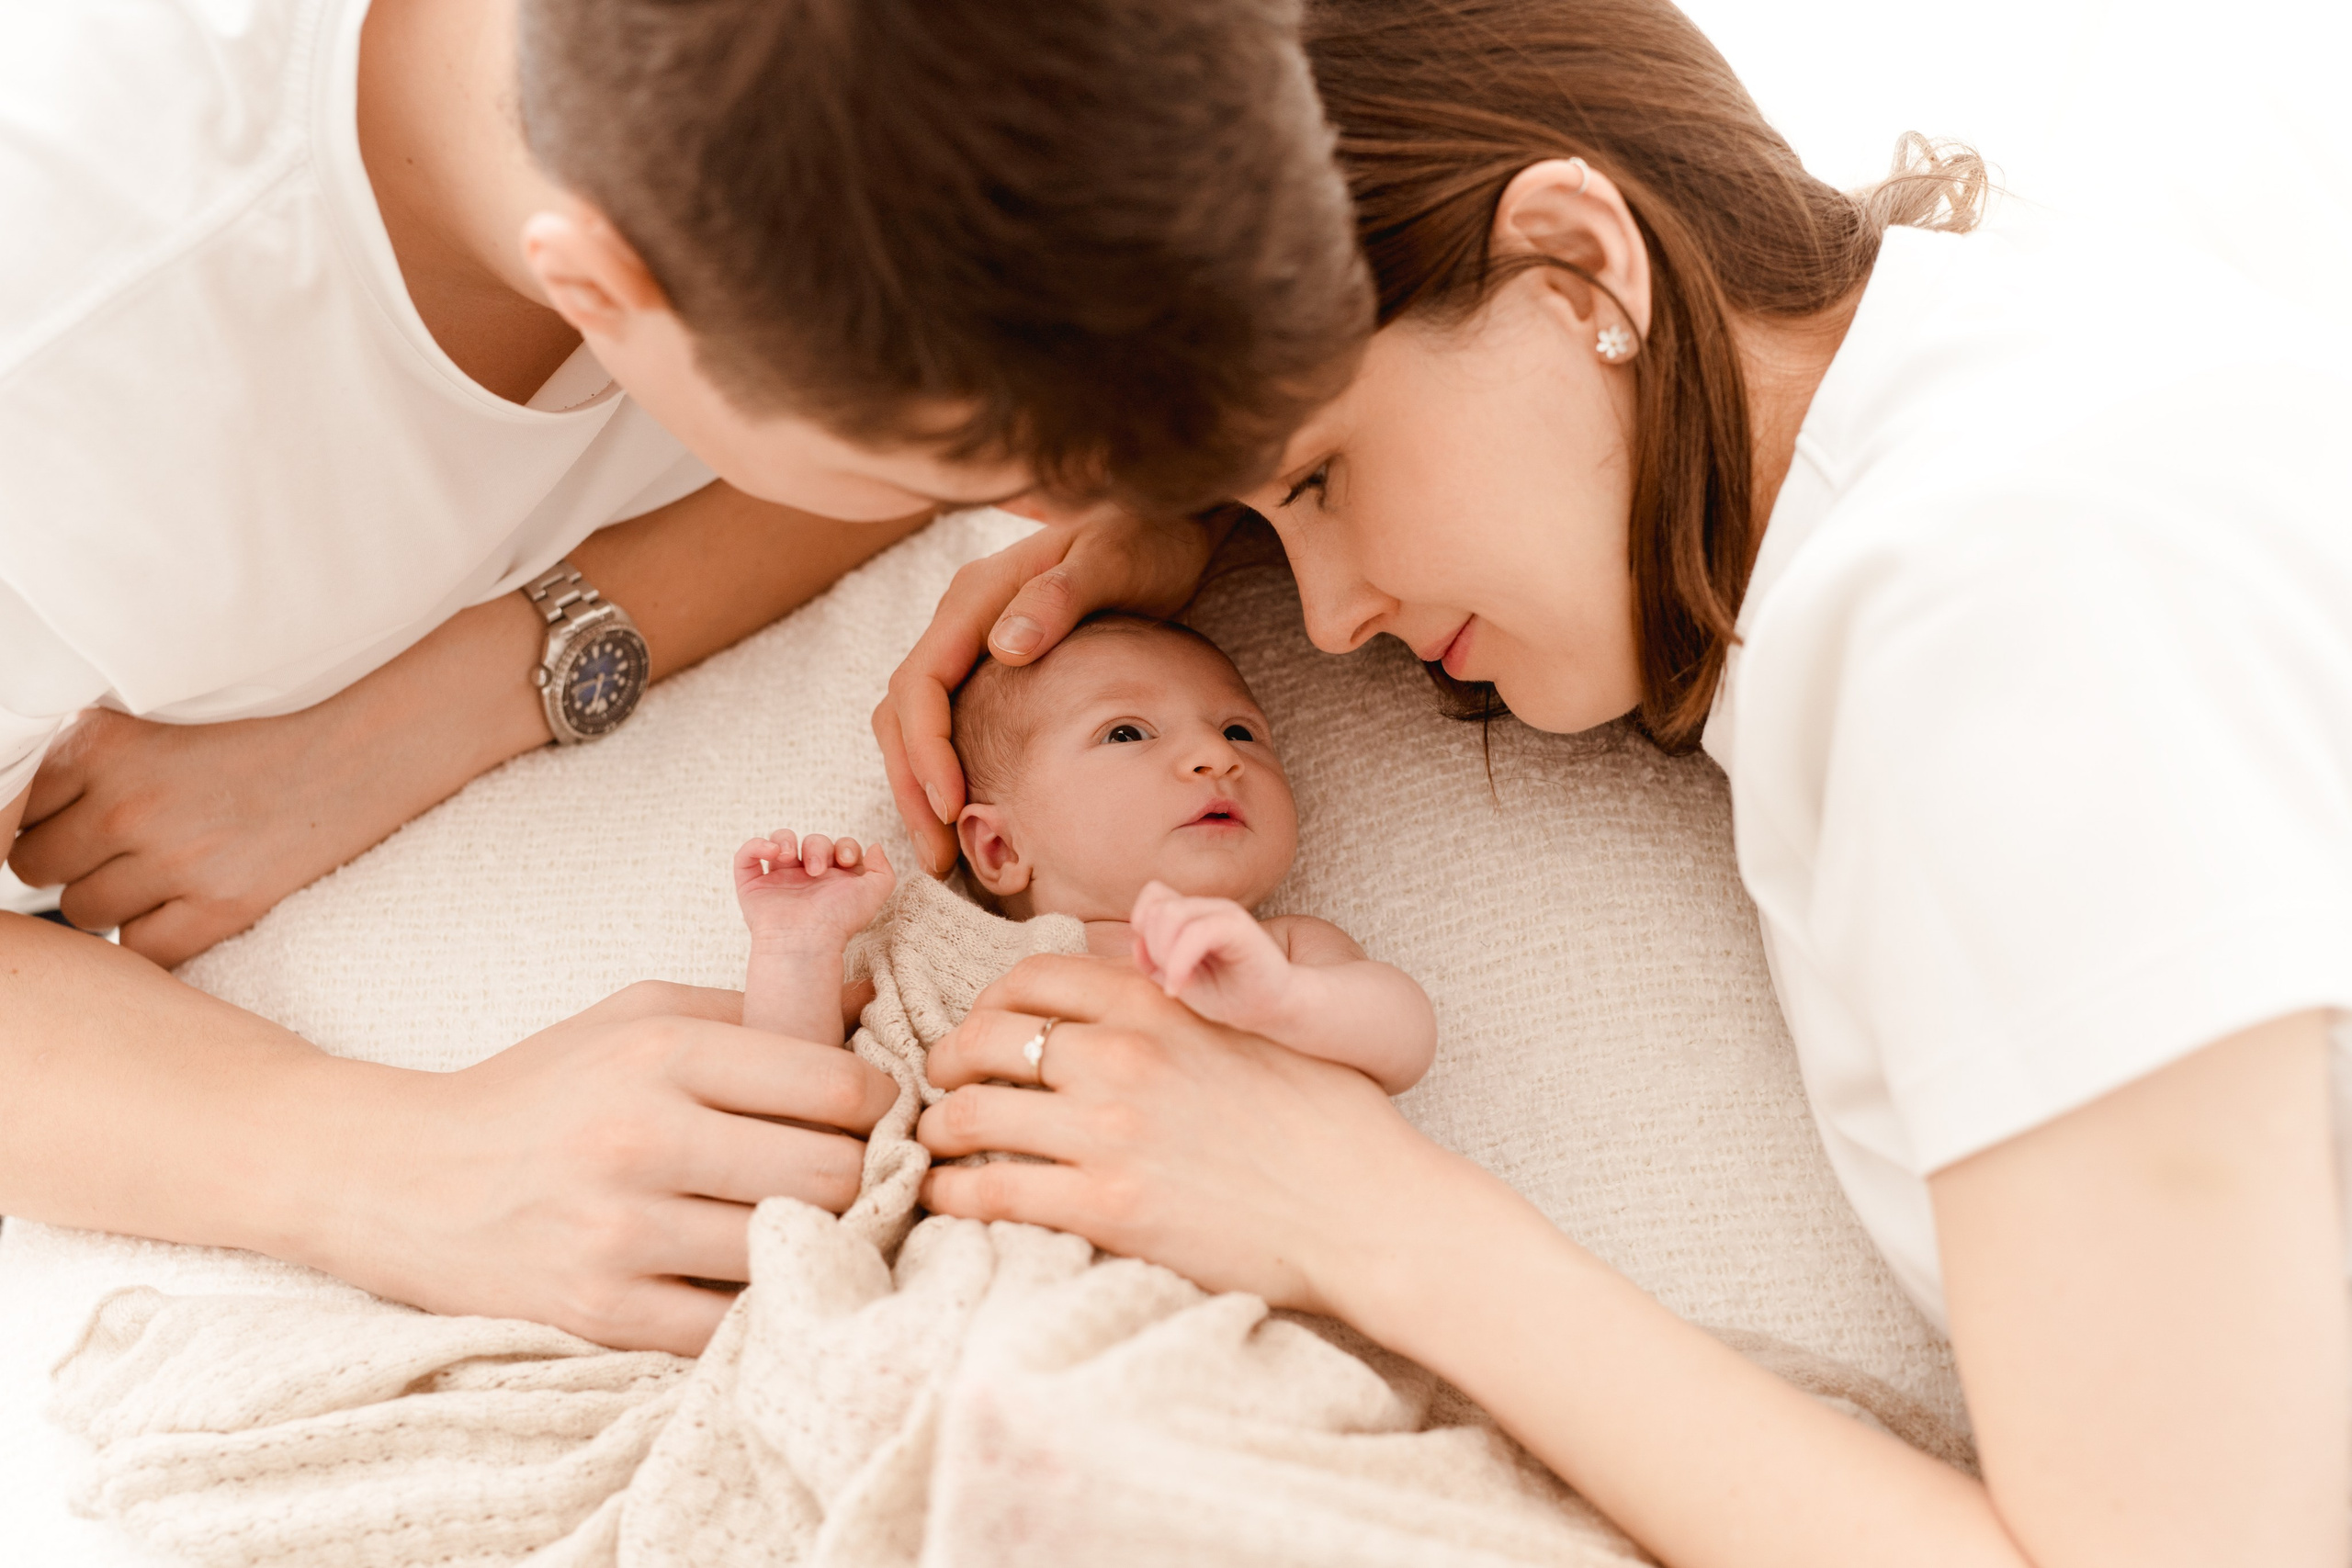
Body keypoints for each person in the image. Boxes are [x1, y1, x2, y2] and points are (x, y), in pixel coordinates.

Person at [876, 1, 2352, 1562]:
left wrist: (1357, 1214)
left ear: (1580, 267)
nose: (1323, 620)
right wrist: (1225, 505)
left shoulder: (1978, 622)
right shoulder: (2022, 362)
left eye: (1321, 477)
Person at [0, 0, 1369, 1355]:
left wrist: (464, 692)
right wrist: (387, 1161)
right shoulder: (74, 355)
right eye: (966, 474)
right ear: (601, 298)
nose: (1077, 522)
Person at [735, 615, 1435, 1094]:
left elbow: (1403, 1037)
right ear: (1000, 846)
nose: (1215, 756)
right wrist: (796, 952)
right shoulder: (940, 959)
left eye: (1241, 731)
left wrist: (1287, 1003)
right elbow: (800, 1102)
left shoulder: (1281, 950)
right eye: (1128, 732)